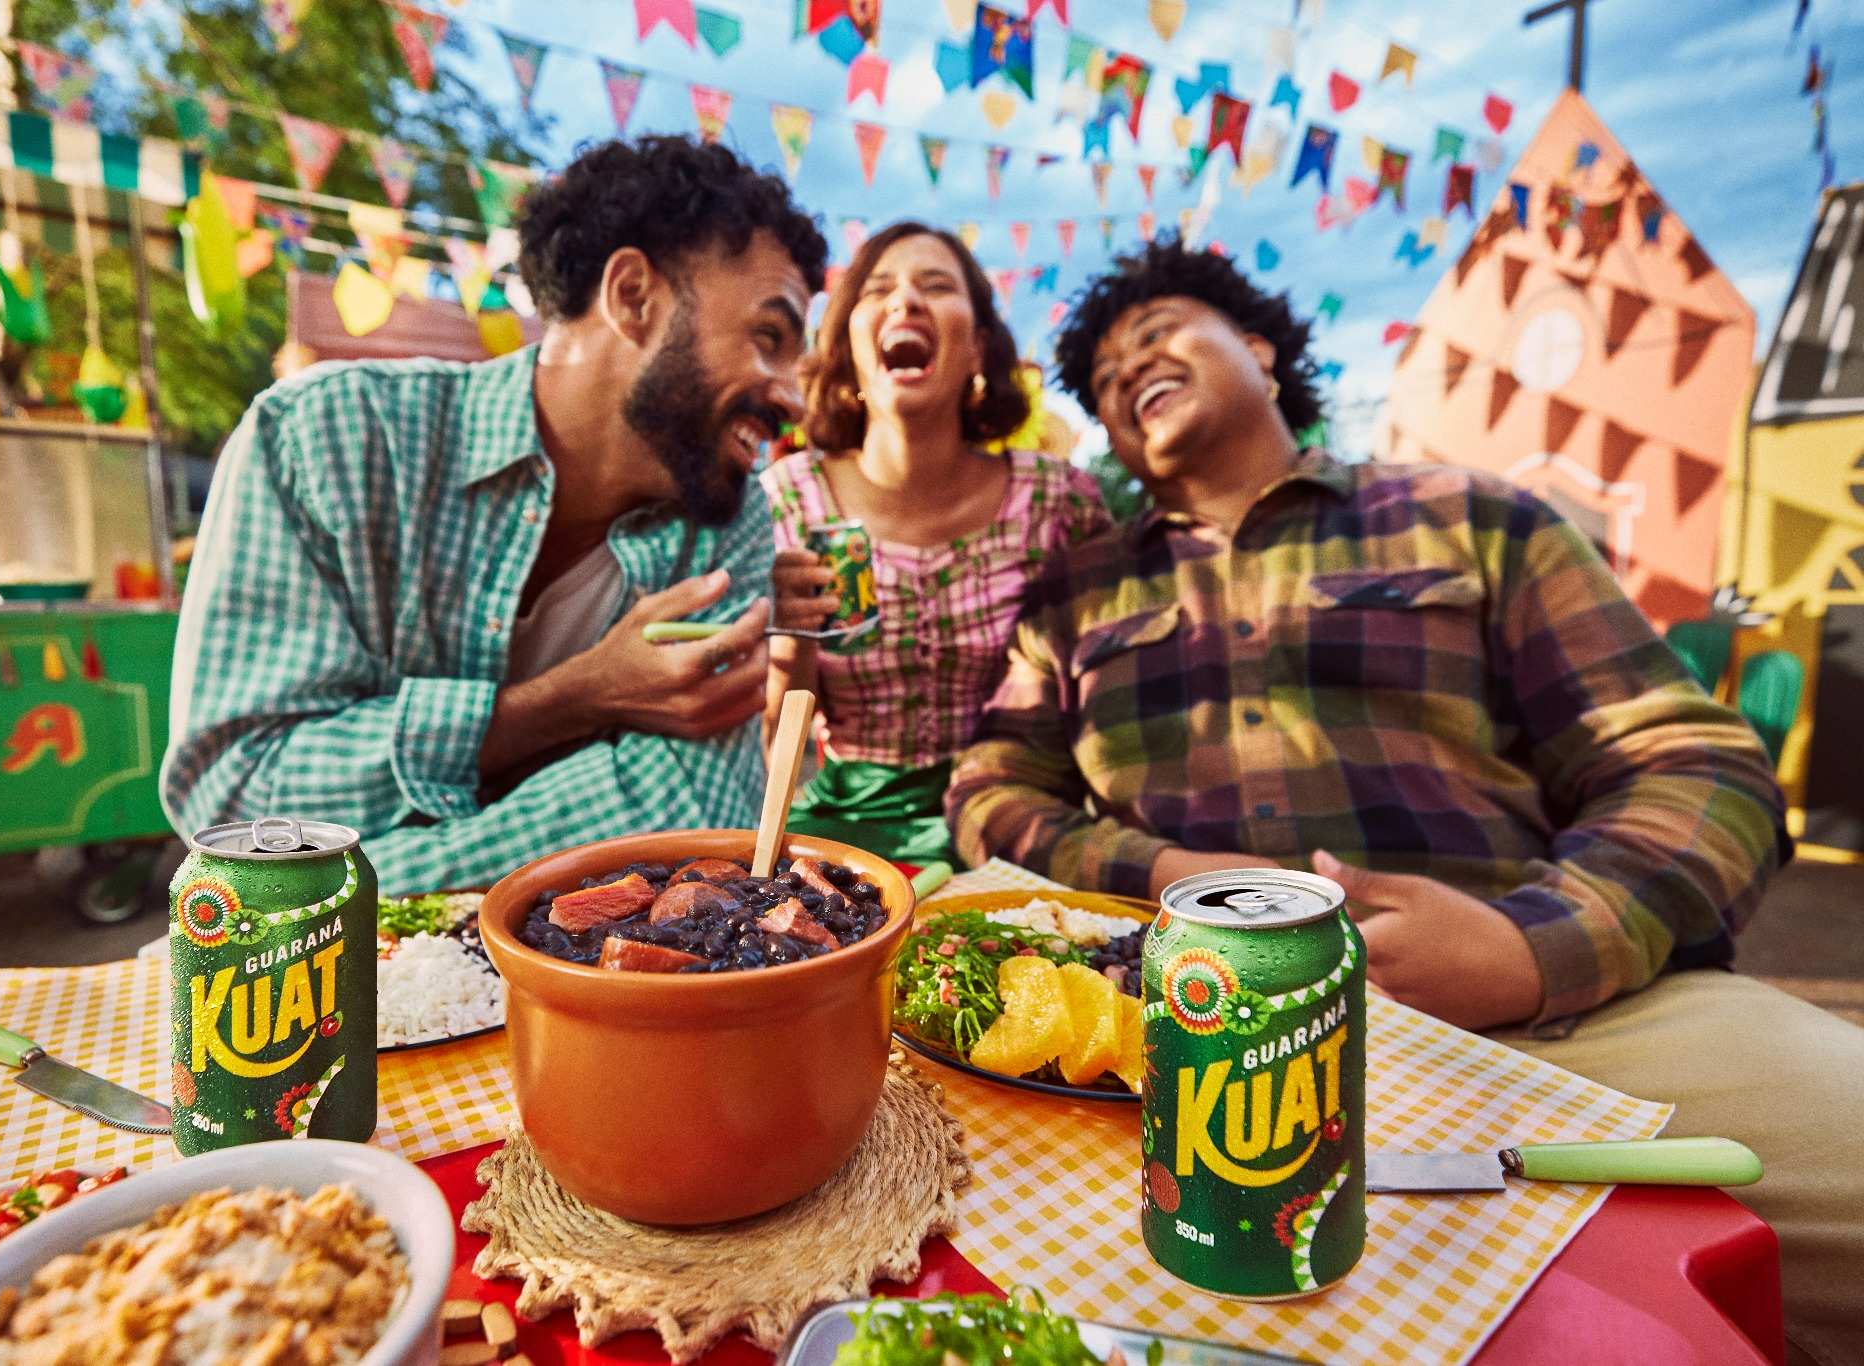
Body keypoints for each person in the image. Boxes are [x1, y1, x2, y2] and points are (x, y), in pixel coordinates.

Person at [946, 240, 1864, 1364]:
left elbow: (1690, 762)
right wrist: (1166, 880)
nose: (1125, 367)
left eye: (1160, 330)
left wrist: (1532, 945)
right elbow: (990, 789)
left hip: (1561, 1014)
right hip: (1169, 1040)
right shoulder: (1075, 596)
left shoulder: (1474, 517)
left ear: (1264, 351)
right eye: (1100, 376)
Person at [162, 136, 826, 894]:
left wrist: (336, 888)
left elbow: (691, 813)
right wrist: (575, 698)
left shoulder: (725, 523)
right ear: (633, 295)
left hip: (562, 988)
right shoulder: (328, 439)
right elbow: (241, 797)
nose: (793, 398)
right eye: (769, 338)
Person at [762, 221, 1109, 866]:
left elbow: (1108, 690)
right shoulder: (787, 498)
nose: (905, 302)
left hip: (1017, 817)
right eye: (879, 289)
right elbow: (772, 738)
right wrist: (790, 633)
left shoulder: (1056, 501)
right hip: (844, 829)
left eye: (936, 284)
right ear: (849, 348)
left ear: (978, 348)